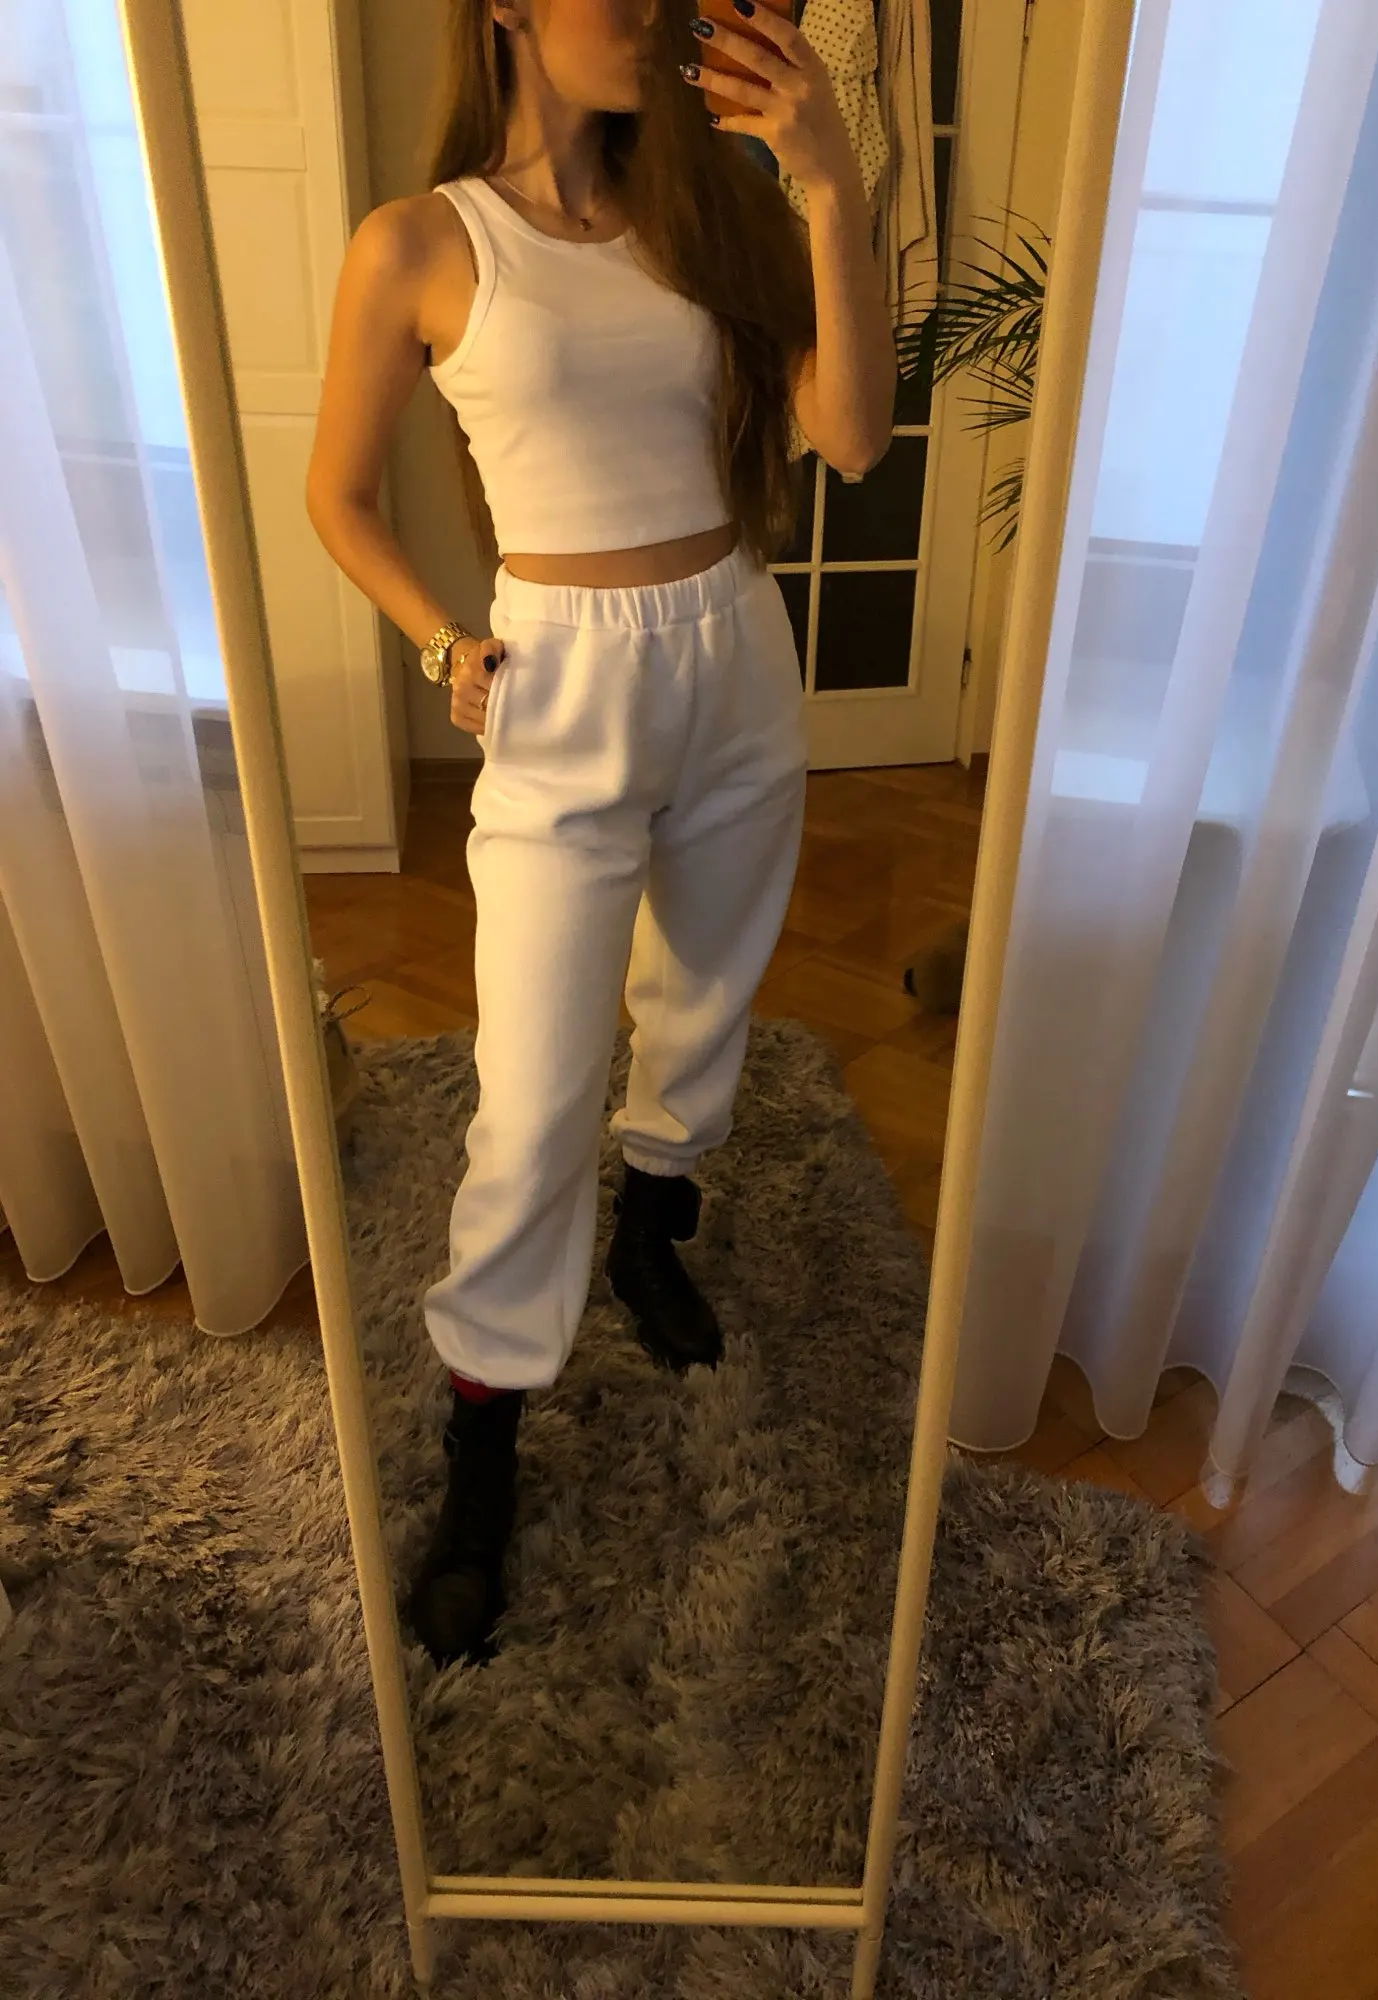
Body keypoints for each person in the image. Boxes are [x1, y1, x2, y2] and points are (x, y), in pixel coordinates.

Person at [305, 0, 895, 1668]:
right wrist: (440, 638)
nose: (648, 13)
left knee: (704, 997)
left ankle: (653, 1223)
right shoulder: (421, 244)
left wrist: (832, 186)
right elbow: (337, 495)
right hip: (557, 683)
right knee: (532, 1091)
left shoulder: (707, 211)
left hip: (732, 651)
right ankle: (485, 1428)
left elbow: (851, 435)